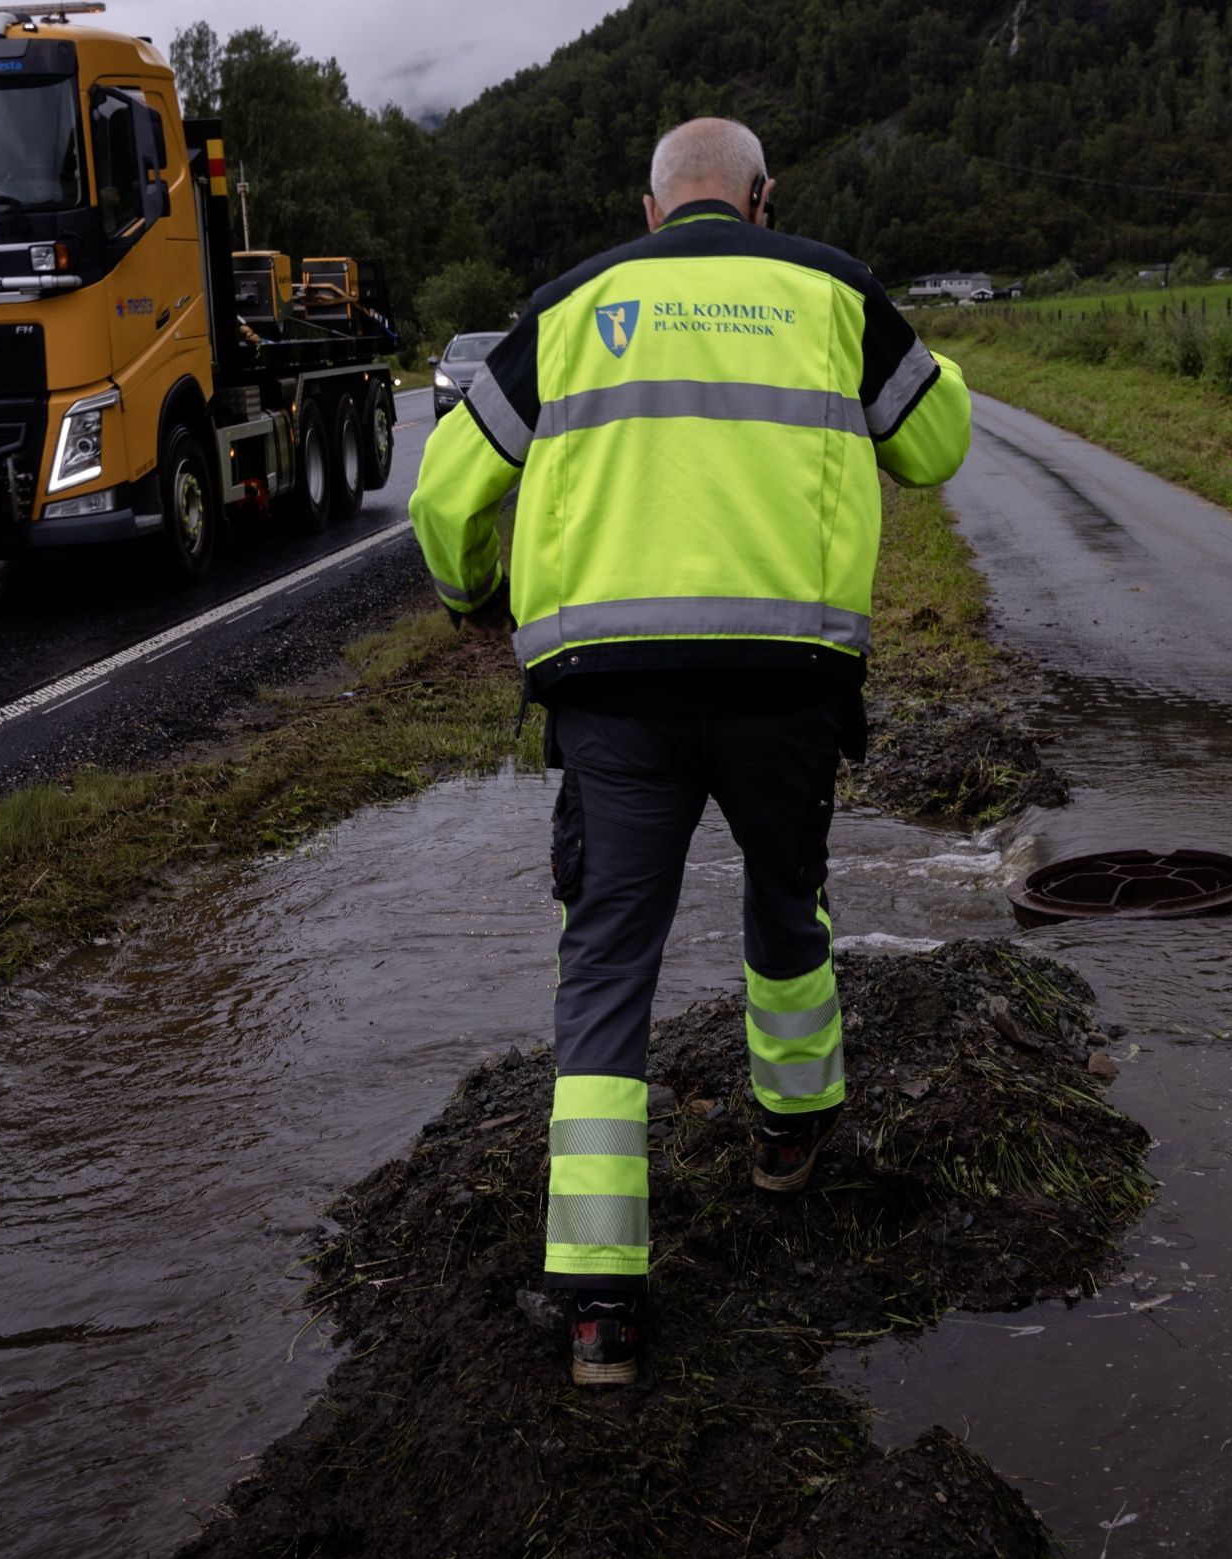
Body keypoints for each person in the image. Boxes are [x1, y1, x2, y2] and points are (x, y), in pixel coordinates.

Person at [407, 117, 973, 1386]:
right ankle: (788, 1137)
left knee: (606, 963)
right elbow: (935, 448)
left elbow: (446, 494)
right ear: (762, 199)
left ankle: (599, 1307)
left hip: (613, 703)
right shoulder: (831, 287)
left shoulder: (569, 304)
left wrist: (465, 596)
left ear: (652, 209)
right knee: (788, 907)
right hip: (785, 685)